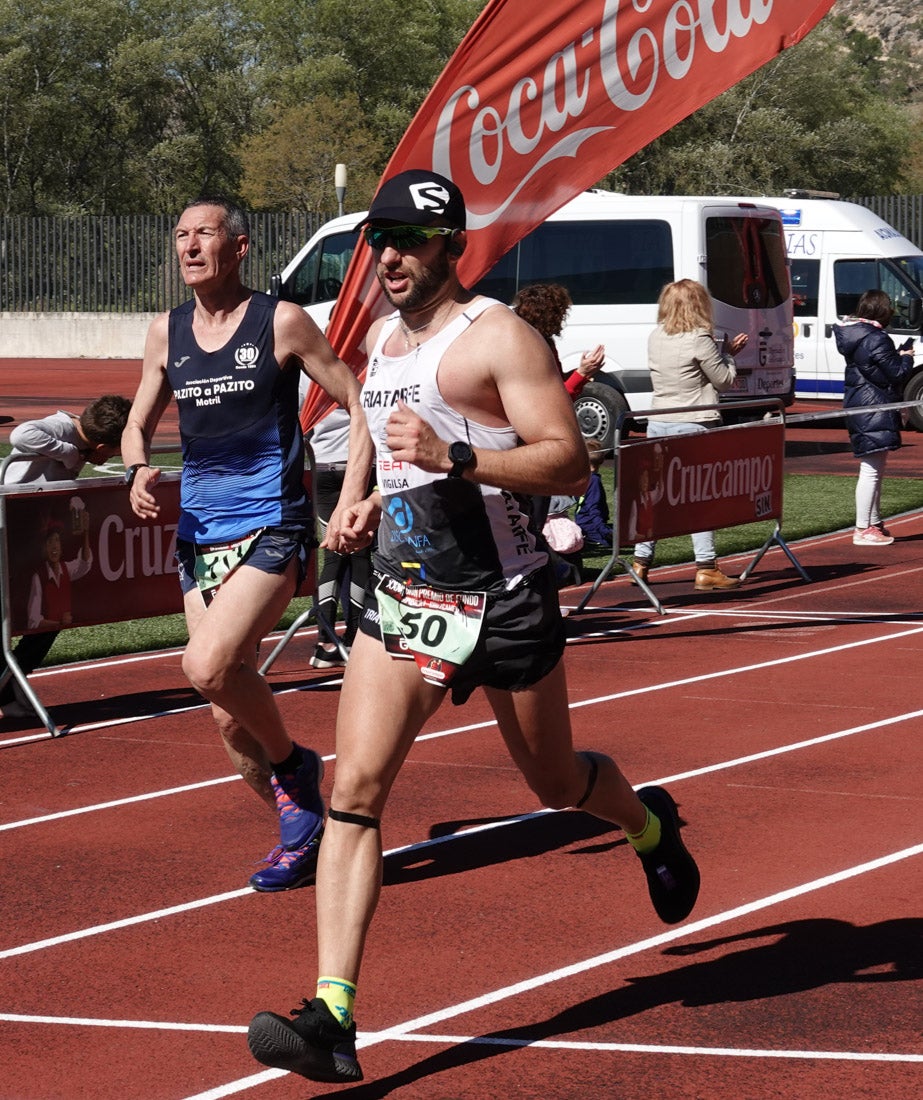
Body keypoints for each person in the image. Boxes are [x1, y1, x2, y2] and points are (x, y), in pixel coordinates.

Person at [247, 169, 700, 1084]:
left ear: (453, 247)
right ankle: (332, 1014)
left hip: (503, 599)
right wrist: (360, 498)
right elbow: (380, 429)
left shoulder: (498, 337)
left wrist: (457, 455)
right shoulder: (377, 336)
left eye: (411, 244)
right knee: (353, 796)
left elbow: (569, 461)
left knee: (554, 779)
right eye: (380, 243)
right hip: (403, 599)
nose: (390, 260)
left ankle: (645, 827)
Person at [121, 195, 372, 893]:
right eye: (180, 235)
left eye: (203, 234)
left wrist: (348, 495)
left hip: (272, 524)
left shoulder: (281, 321)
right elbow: (136, 424)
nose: (189, 246)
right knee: (230, 722)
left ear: (239, 247)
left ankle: (295, 764)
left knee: (204, 664)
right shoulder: (164, 333)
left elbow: (357, 402)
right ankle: (304, 834)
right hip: (199, 535)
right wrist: (138, 466)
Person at [0, 396, 131, 717]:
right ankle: (8, 690)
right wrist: (69, 453)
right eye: (116, 451)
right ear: (101, 448)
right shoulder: (61, 427)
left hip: (33, 535)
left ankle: (10, 686)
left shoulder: (89, 439)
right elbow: (20, 435)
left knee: (54, 614)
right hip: (6, 528)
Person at [631, 279, 746, 591]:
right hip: (694, 421)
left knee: (655, 496)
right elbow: (723, 381)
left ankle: (640, 561)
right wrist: (730, 355)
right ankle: (706, 566)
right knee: (700, 497)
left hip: (659, 421)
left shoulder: (656, 336)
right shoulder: (698, 337)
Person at [511, 282, 606, 533]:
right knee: (530, 516)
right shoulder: (529, 344)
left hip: (532, 439)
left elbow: (553, 387)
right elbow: (549, 400)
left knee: (532, 515)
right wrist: (582, 374)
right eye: (560, 312)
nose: (563, 319)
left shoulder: (539, 340)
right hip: (529, 441)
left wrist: (579, 374)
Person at [833, 289, 915, 546]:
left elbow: (877, 371)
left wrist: (897, 358)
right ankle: (862, 528)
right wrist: (906, 360)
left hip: (863, 403)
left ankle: (874, 522)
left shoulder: (857, 335)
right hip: (873, 406)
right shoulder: (876, 338)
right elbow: (895, 374)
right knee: (871, 470)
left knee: (874, 467)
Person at [307, 404, 373, 668]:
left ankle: (324, 642)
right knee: (359, 555)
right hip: (358, 467)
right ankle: (353, 639)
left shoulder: (310, 371)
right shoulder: (361, 371)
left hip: (323, 467)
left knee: (332, 555)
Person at [575, 438, 613, 552]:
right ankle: (591, 539)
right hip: (592, 525)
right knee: (618, 538)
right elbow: (593, 508)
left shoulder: (583, 478)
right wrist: (603, 531)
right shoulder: (594, 481)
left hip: (582, 522)